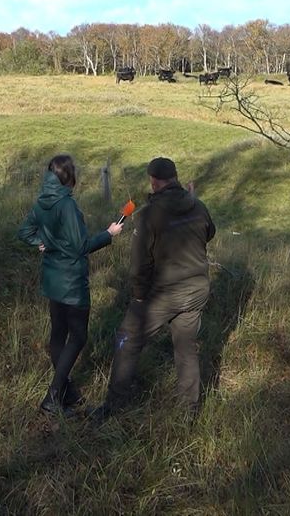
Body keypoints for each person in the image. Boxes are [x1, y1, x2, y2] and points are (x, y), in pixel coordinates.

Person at [91, 157, 215, 420]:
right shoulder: (197, 205)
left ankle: (114, 408)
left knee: (127, 341)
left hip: (165, 293)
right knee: (186, 349)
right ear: (176, 177)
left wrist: (138, 297)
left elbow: (140, 263)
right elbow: (209, 233)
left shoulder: (148, 214)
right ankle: (188, 414)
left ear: (154, 181)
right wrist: (193, 204)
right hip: (196, 290)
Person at [18, 154, 124, 415]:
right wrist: (109, 234)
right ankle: (53, 397)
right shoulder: (67, 205)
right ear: (68, 176)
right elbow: (81, 247)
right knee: (78, 337)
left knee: (58, 336)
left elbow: (25, 232)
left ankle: (67, 392)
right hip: (71, 282)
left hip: (53, 280)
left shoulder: (43, 200)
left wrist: (41, 243)